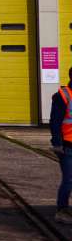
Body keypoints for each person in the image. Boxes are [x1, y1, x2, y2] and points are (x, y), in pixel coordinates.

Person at [46, 70, 72, 225]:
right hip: (68, 145)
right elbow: (55, 121)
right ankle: (62, 210)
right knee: (69, 179)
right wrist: (57, 143)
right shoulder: (63, 95)